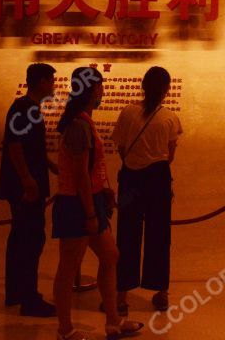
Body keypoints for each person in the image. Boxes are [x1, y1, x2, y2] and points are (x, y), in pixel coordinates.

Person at [52, 67, 144, 340]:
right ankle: (65, 329)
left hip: (88, 200)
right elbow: (79, 173)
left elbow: (89, 169)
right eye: (101, 86)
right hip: (76, 205)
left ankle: (113, 321)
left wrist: (102, 191)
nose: (103, 91)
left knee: (110, 256)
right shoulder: (79, 125)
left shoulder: (82, 120)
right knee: (68, 268)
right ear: (92, 89)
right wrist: (91, 213)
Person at [112, 66, 182, 314]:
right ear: (166, 89)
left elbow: (120, 147)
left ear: (142, 86)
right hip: (158, 179)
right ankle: (160, 291)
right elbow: (169, 155)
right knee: (159, 235)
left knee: (127, 234)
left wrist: (135, 162)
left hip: (131, 178)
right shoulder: (170, 117)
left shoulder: (128, 112)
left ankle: (121, 295)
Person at [0, 63, 58, 317]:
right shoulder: (24, 109)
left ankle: (16, 292)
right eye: (52, 80)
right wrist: (27, 180)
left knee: (19, 237)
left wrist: (51, 166)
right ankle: (29, 299)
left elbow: (31, 148)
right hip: (24, 187)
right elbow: (14, 145)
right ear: (41, 82)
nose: (54, 85)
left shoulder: (29, 108)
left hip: (23, 183)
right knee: (31, 239)